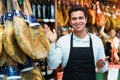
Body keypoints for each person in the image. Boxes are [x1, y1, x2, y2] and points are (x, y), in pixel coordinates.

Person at [44, 5, 108, 80]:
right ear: (70, 22)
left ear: (86, 20)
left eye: (80, 18)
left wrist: (101, 66)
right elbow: (52, 65)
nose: (78, 21)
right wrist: (52, 43)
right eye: (74, 19)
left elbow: (103, 70)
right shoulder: (63, 41)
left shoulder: (96, 41)